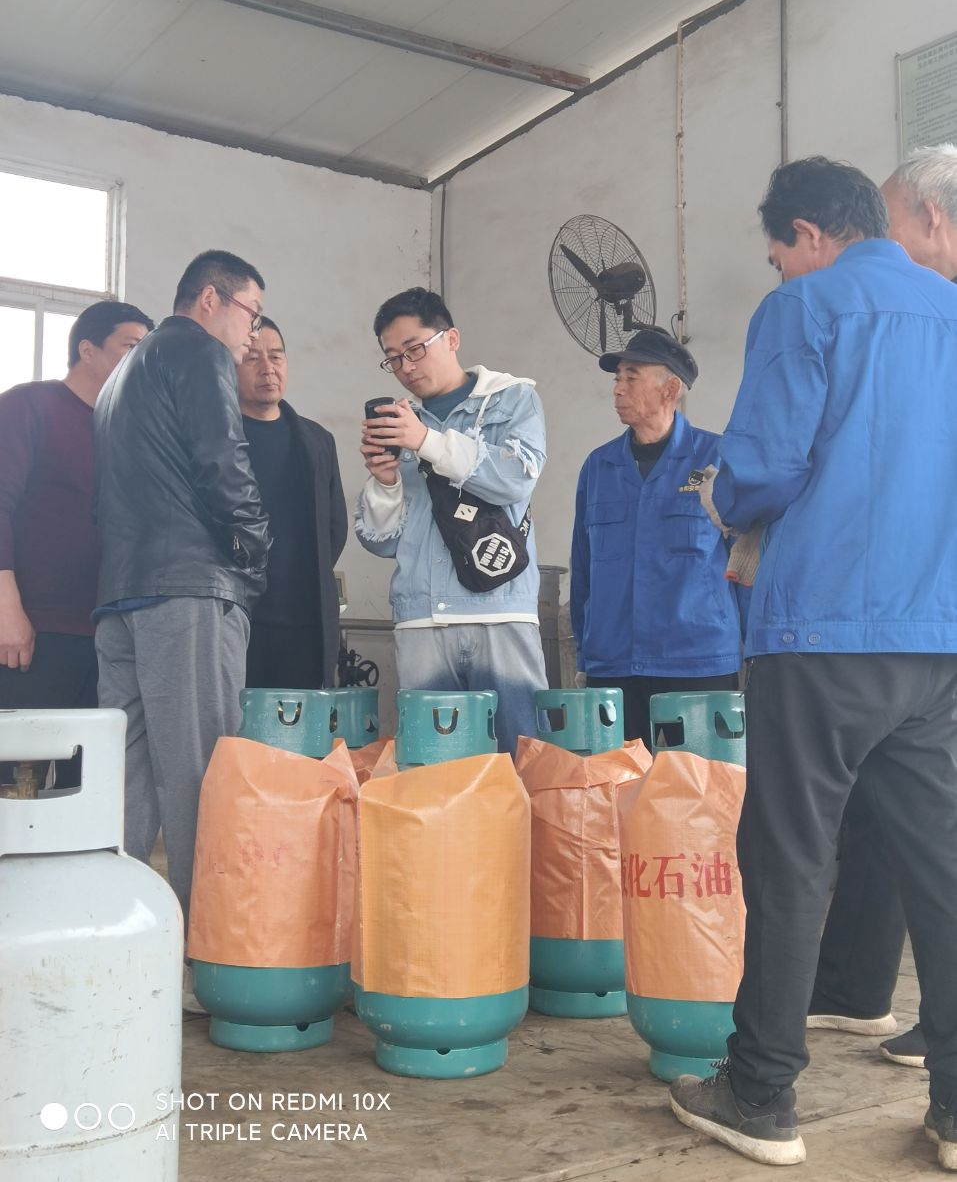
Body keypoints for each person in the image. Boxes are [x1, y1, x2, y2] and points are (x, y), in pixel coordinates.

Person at [668, 157, 957, 1169]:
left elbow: (763, 467)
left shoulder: (805, 307)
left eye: (778, 253)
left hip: (821, 631)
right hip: (938, 639)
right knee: (942, 869)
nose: (781, 269)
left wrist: (722, 499)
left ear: (808, 235)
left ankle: (759, 1093)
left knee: (790, 858)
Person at [809, 143, 957, 1068]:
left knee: (930, 834)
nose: (878, 244)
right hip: (917, 615)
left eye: (890, 221)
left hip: (921, 615)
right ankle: (862, 989)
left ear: (931, 219)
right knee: (894, 815)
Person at [93, 250, 270, 930]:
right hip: (188, 590)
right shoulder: (200, 352)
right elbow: (222, 459)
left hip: (120, 596)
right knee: (202, 770)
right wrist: (254, 552)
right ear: (210, 299)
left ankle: (120, 929)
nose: (253, 333)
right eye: (251, 313)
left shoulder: (119, 378)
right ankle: (209, 941)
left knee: (127, 776)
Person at [355, 286, 548, 756]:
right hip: (420, 619)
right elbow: (383, 542)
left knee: (521, 761)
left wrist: (426, 441)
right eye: (393, 358)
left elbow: (515, 478)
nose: (406, 366)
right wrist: (384, 483)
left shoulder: (510, 399)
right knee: (432, 772)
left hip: (500, 612)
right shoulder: (402, 420)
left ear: (452, 339)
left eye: (415, 349)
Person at [0, 301, 152, 789]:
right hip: (33, 630)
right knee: (14, 777)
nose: (140, 361)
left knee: (83, 785)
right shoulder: (28, 405)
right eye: (131, 347)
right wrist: (7, 608)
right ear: (87, 349)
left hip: (106, 634)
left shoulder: (126, 430)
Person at [570, 328, 741, 748]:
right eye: (617, 379)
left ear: (670, 389)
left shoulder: (716, 460)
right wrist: (585, 656)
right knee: (615, 782)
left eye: (631, 377)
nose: (618, 389)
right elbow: (583, 570)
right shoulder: (599, 468)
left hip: (698, 663)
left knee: (700, 783)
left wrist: (754, 651)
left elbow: (747, 562)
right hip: (613, 665)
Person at [236, 316, 347, 688]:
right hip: (238, 618)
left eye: (277, 356)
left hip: (305, 622)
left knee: (306, 725)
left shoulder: (316, 439)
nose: (267, 368)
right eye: (252, 358)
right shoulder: (217, 436)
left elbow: (334, 527)